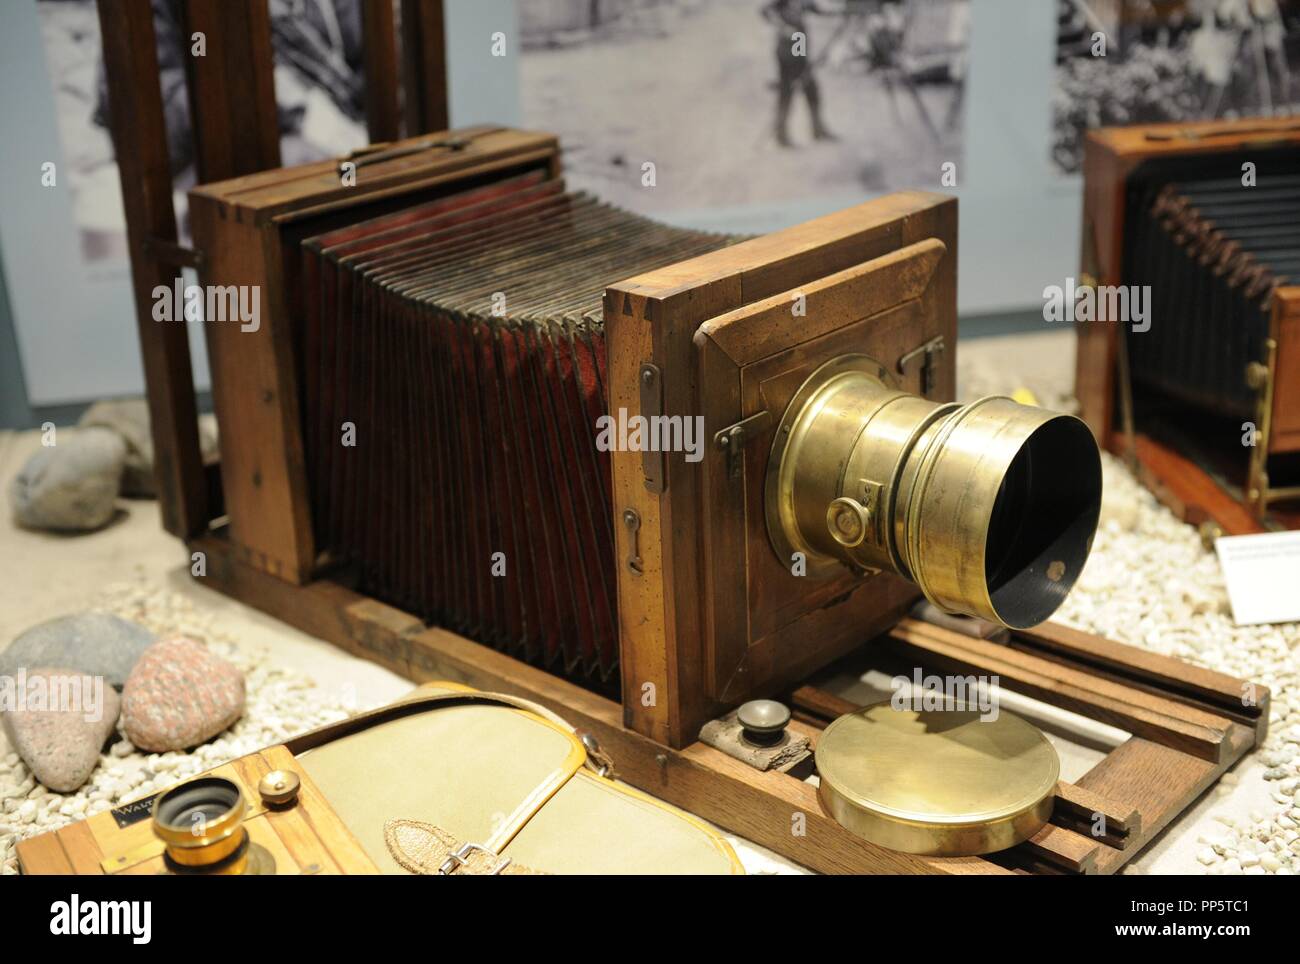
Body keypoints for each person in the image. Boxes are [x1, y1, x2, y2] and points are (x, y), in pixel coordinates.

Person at [762, 0, 839, 146]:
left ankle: (817, 129)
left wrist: (844, 12)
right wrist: (783, 26)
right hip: (787, 49)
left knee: (811, 89)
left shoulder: (803, 2)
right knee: (789, 90)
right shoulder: (781, 2)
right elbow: (766, 12)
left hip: (799, 45)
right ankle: (782, 134)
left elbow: (819, 10)